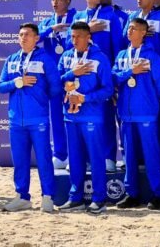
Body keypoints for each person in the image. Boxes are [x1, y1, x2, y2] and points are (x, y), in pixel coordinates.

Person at [0, 23, 61, 212]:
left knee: (43, 159)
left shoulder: (45, 59)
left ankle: (48, 197)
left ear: (36, 38)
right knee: (20, 160)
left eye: (27, 35)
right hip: (16, 120)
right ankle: (22, 197)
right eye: (20, 35)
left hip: (38, 119)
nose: (23, 38)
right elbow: (1, 86)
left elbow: (56, 87)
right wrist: (17, 82)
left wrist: (39, 99)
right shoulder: (11, 59)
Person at [57, 21, 114, 214]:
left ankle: (99, 198)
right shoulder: (66, 57)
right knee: (75, 158)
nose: (74, 40)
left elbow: (108, 89)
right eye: (72, 37)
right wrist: (72, 73)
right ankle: (76, 198)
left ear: (88, 37)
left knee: (96, 158)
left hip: (92, 117)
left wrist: (86, 98)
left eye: (78, 36)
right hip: (71, 116)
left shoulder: (100, 58)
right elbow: (57, 81)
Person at [112, 16, 160, 210]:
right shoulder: (121, 56)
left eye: (134, 28)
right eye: (129, 28)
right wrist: (130, 71)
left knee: (151, 154)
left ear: (143, 33)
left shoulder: (152, 56)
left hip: (146, 113)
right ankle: (132, 193)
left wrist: (152, 100)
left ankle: (157, 194)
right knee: (129, 156)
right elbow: (113, 80)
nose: (129, 31)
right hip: (126, 114)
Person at [73, 0, 123, 172]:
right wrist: (88, 30)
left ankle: (109, 157)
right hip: (82, 72)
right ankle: (84, 158)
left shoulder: (110, 16)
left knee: (106, 116)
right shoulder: (78, 16)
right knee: (82, 115)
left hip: (103, 73)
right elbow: (72, 44)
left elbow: (117, 46)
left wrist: (114, 74)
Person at [37, 0, 76, 169]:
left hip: (72, 75)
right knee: (56, 116)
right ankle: (60, 155)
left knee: (74, 115)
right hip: (52, 77)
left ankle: (75, 154)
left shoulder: (76, 18)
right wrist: (51, 29)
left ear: (67, 1)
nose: (55, 2)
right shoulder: (47, 22)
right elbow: (34, 38)